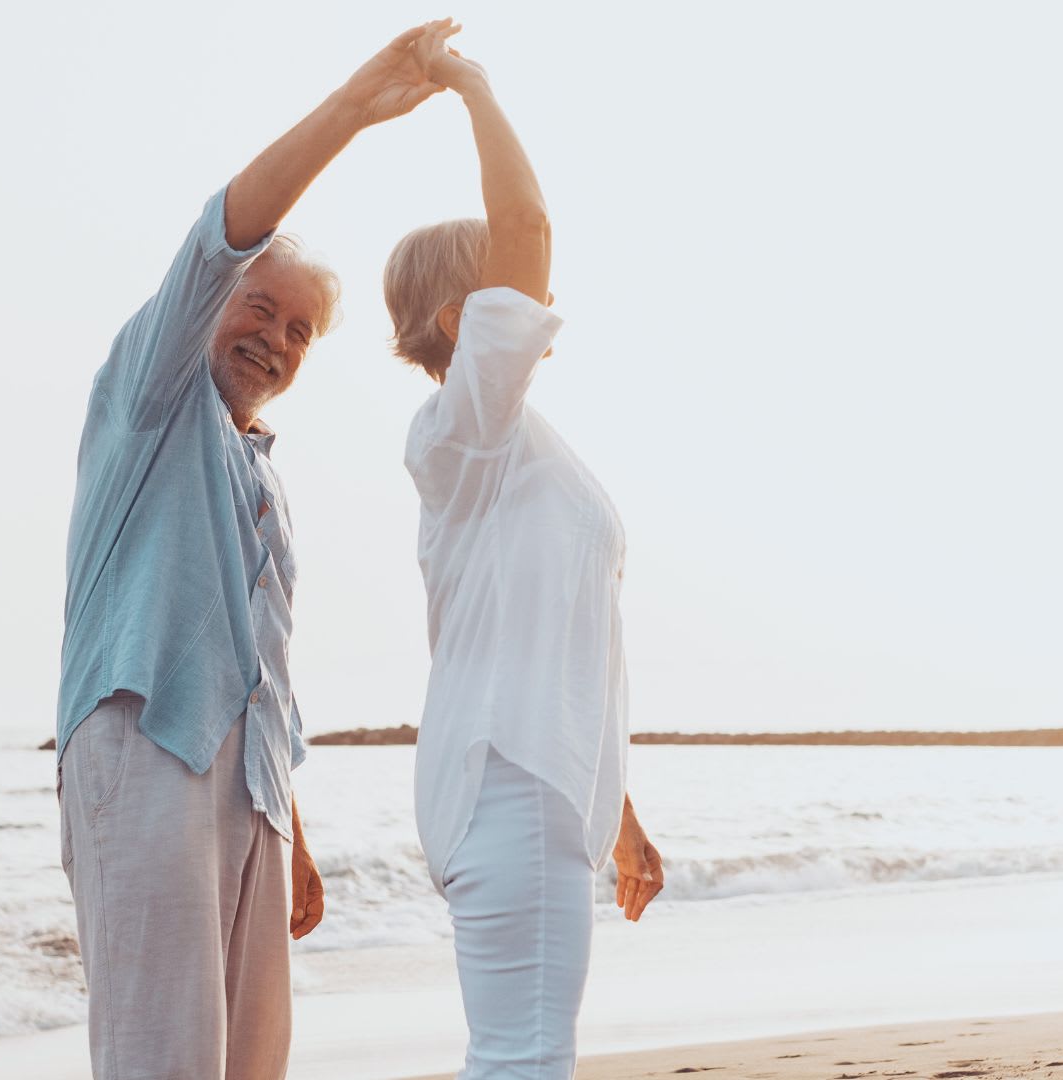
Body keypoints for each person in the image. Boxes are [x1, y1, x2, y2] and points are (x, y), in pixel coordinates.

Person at [54, 25, 445, 1080]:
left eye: (300, 330)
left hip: (252, 793)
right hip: (145, 751)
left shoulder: (259, 470)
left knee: (250, 1064)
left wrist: (293, 830)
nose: (274, 336)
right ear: (207, 312)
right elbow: (219, 237)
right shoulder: (151, 400)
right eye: (258, 307)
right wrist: (355, 109)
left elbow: (262, 679)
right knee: (162, 1060)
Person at [382, 21, 665, 1078]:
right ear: (464, 319)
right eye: (505, 291)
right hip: (504, 784)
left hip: (543, 788)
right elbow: (531, 223)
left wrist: (621, 817)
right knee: (524, 1058)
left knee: (523, 1054)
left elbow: (574, 651)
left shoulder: (523, 452)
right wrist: (471, 87)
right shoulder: (467, 431)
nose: (534, 303)